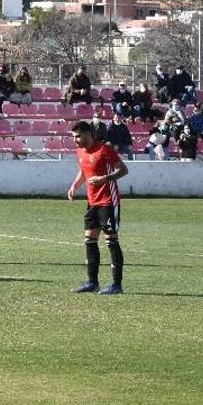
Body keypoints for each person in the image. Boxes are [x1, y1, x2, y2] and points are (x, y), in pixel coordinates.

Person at [67, 120, 128, 295]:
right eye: (74, 137)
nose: (75, 140)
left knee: (111, 241)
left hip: (108, 201)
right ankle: (92, 282)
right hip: (92, 202)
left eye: (78, 136)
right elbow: (84, 170)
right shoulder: (80, 151)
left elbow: (123, 170)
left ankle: (117, 285)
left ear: (88, 134)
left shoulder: (105, 150)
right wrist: (74, 186)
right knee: (90, 240)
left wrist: (103, 179)